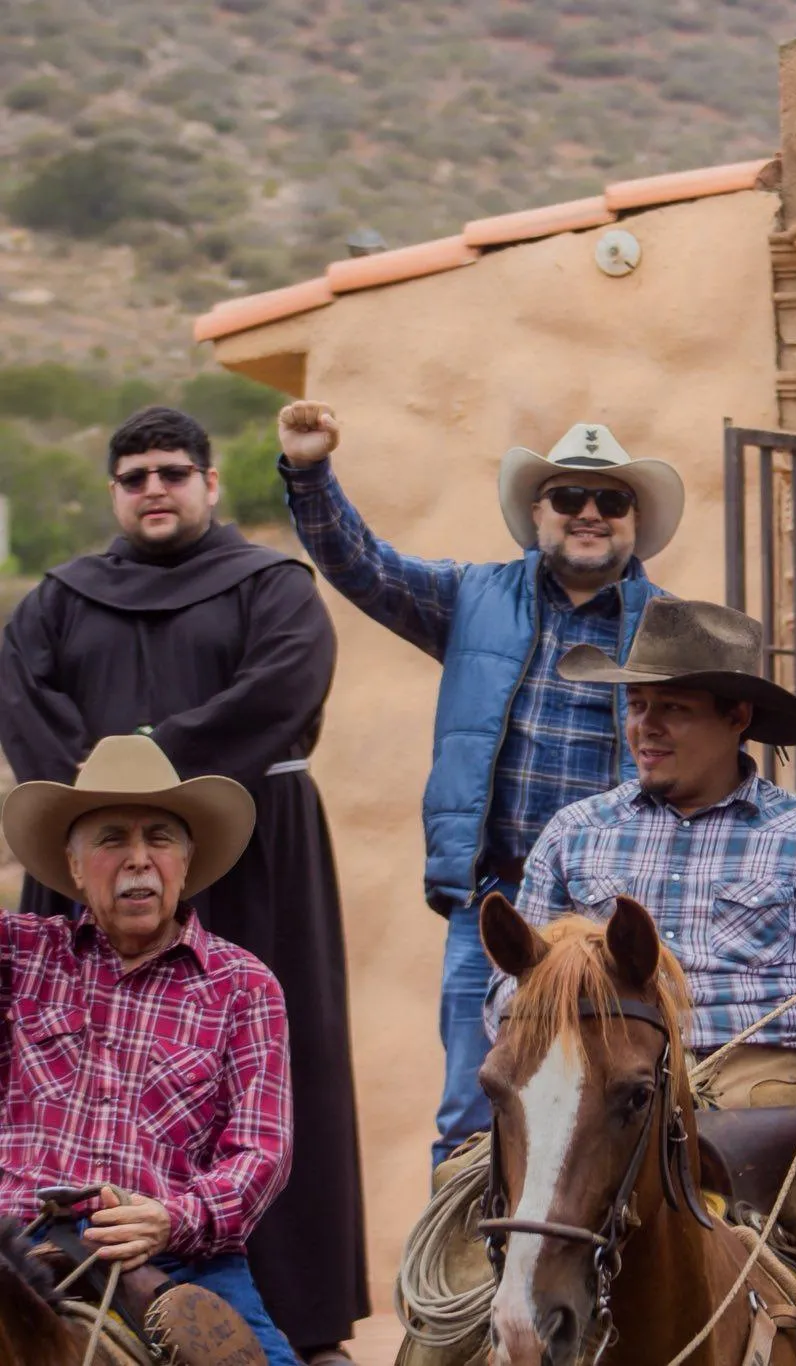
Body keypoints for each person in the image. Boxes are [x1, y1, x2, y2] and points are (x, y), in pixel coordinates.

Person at [491, 597, 796, 1366]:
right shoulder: (573, 834)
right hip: (599, 1096)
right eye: (637, 705)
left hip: (763, 1095)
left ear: (737, 716)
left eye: (672, 709)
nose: (644, 726)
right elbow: (506, 1005)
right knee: (448, 1239)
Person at [0, 404, 366, 1358]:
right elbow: (21, 702)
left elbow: (287, 684)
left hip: (259, 855)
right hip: (95, 851)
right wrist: (110, 810)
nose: (153, 488)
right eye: (134, 476)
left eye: (172, 471)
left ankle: (293, 1316)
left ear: (209, 484)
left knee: (272, 1081)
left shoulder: (274, 587)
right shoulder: (55, 602)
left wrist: (157, 761)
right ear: (114, 494)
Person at [274, 403, 680, 1167]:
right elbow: (364, 565)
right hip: (494, 911)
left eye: (612, 500)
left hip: (623, 916)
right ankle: (461, 1287)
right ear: (537, 513)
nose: (589, 513)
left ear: (634, 519)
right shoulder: (472, 598)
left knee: (634, 1103)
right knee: (473, 1105)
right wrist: (309, 471)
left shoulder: (672, 628)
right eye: (568, 497)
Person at [0, 735, 296, 1366]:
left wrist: (172, 1219)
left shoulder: (243, 984)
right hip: (16, 1242)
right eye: (112, 839)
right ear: (75, 867)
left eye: (159, 838)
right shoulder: (21, 955)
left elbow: (260, 1153)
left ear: (185, 863)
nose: (139, 859)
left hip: (176, 1258)